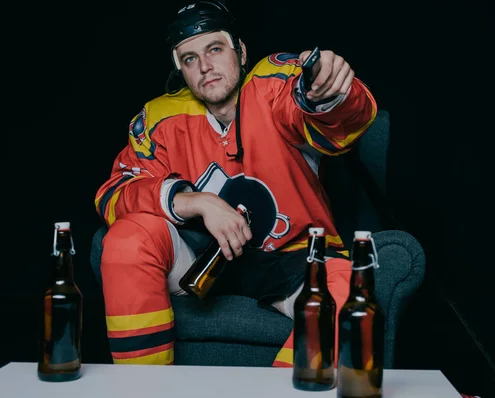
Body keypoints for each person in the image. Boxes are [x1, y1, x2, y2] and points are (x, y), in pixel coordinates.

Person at [94, 0, 377, 367]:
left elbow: (341, 117)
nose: (205, 66)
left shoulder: (272, 86)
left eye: (214, 48)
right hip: (201, 258)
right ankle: (142, 390)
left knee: (346, 291)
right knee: (127, 238)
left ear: (240, 51)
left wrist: (329, 92)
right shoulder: (160, 118)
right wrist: (193, 200)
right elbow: (114, 195)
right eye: (190, 58)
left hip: (290, 258)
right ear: (179, 68)